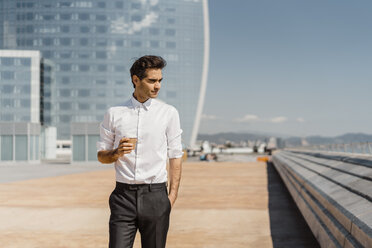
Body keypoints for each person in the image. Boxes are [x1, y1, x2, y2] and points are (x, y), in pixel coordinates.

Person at [96, 55, 183, 248]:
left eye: (160, 80)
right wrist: (116, 153)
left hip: (156, 196)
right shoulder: (114, 113)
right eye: (152, 81)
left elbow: (175, 155)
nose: (157, 86)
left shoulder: (169, 113)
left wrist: (172, 196)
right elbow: (101, 156)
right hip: (123, 197)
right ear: (136, 80)